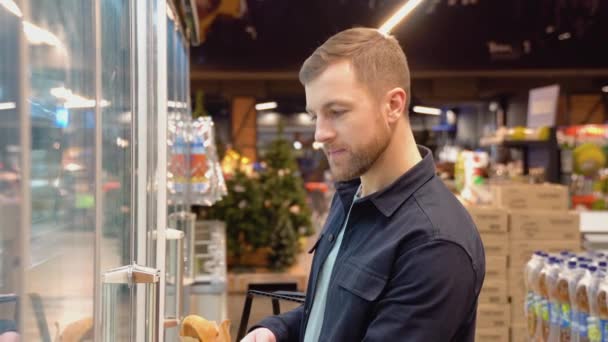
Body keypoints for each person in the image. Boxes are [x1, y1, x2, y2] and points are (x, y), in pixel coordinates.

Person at [242, 27, 485, 342]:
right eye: (315, 115)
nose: (320, 134)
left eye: (337, 112)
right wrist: (275, 331)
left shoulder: (434, 245)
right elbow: (336, 311)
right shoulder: (351, 196)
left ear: (394, 106)